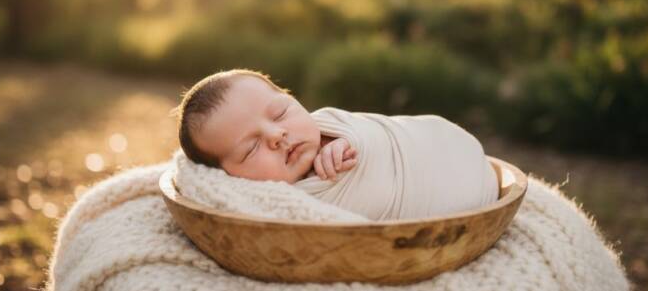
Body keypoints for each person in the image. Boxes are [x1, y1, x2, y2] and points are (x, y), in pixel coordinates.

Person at [177, 69, 498, 220]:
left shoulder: (334, 127)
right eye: (250, 149)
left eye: (280, 112)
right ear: (226, 177)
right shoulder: (262, 208)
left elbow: (374, 136)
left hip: (447, 152)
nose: (276, 136)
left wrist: (343, 142)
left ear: (292, 98)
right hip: (447, 210)